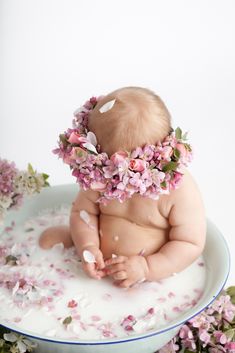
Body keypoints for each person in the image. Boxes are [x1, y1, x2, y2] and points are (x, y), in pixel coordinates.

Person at [39, 86, 206, 288]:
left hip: (149, 275)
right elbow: (83, 211)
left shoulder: (178, 190)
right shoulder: (100, 179)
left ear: (159, 158)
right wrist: (88, 245)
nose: (116, 183)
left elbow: (190, 244)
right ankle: (74, 246)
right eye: (108, 171)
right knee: (47, 240)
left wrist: (147, 267)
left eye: (122, 173)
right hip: (101, 262)